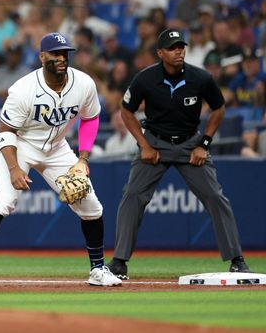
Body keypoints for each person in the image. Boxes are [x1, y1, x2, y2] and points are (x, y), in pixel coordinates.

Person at [0, 32, 122, 287]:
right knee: (5, 200)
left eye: (65, 53)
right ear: (42, 56)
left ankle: (98, 269)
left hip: (57, 148)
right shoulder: (23, 90)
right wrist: (14, 168)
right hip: (21, 144)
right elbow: (5, 131)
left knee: (92, 206)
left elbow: (90, 118)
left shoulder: (84, 83)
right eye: (55, 54)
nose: (62, 58)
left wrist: (83, 158)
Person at [107, 29, 252, 279]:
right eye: (173, 48)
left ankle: (236, 259)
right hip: (155, 142)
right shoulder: (145, 78)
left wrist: (204, 144)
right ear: (160, 53)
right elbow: (126, 112)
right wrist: (143, 145)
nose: (179, 51)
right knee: (132, 195)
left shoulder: (200, 78)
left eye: (181, 47)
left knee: (215, 197)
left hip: (189, 143)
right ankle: (119, 261)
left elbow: (219, 108)